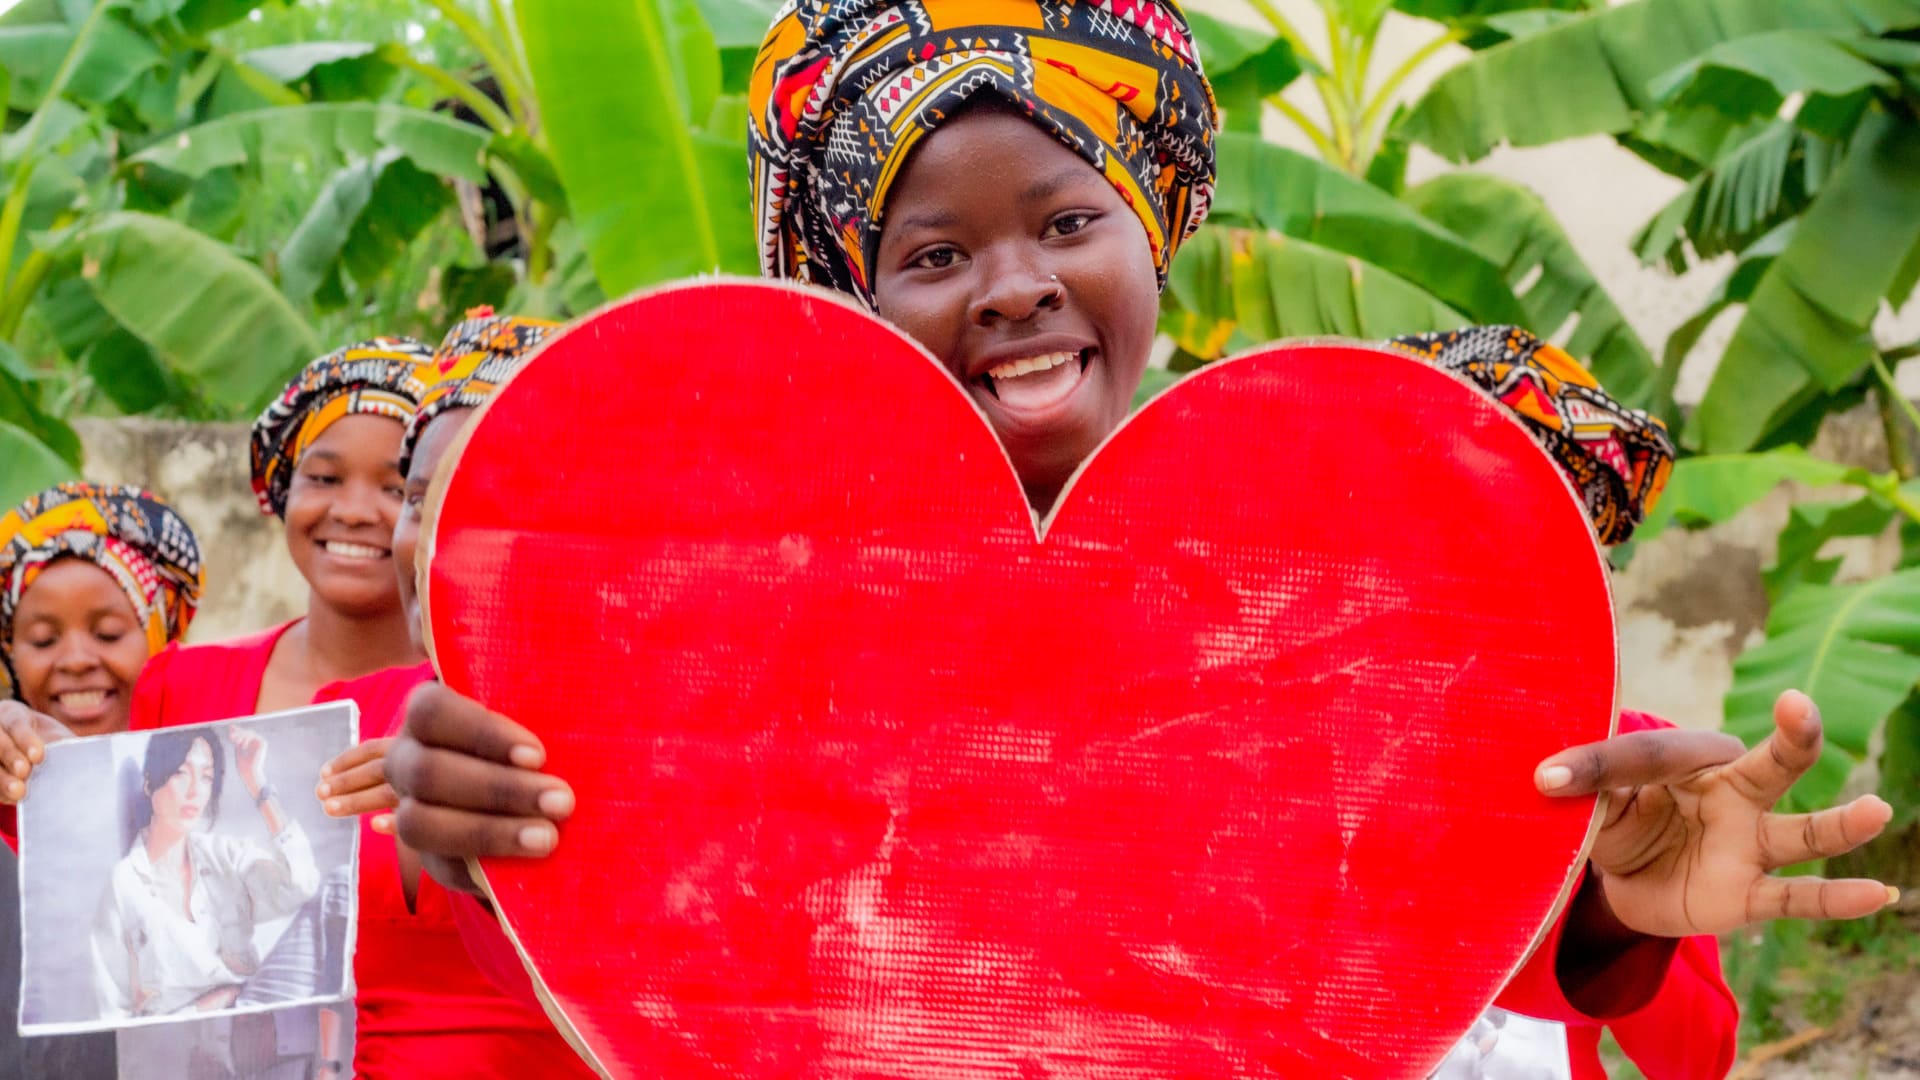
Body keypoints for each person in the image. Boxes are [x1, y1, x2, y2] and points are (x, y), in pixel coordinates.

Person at [381, 1, 1898, 1076]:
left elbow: (1422, 928)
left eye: (1063, 222)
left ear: (1151, 235)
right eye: (932, 253)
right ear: (859, 303)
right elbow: (676, 971)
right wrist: (497, 849)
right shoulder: (747, 634)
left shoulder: (1355, 612)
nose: (1013, 283)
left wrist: (1605, 915)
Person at [303, 308, 599, 1078]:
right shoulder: (335, 721)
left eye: (492, 494)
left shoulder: (656, 746)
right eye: (420, 496)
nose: (434, 530)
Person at [0, 482, 203, 1076]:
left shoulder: (204, 785)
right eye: (42, 640)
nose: (76, 659)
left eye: (110, 634)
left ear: (164, 635)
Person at [130, 338, 432, 727]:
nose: (353, 512)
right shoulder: (182, 688)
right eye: (325, 478)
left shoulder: (471, 708)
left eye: (398, 489)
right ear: (285, 490)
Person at [91, 725, 319, 1018]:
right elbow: (112, 1008)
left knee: (336, 887)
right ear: (149, 784)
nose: (196, 790)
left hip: (255, 1018)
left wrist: (257, 784)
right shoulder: (124, 883)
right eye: (181, 773)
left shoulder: (224, 855)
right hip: (180, 1042)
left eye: (207, 776)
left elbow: (300, 886)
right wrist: (207, 1006)